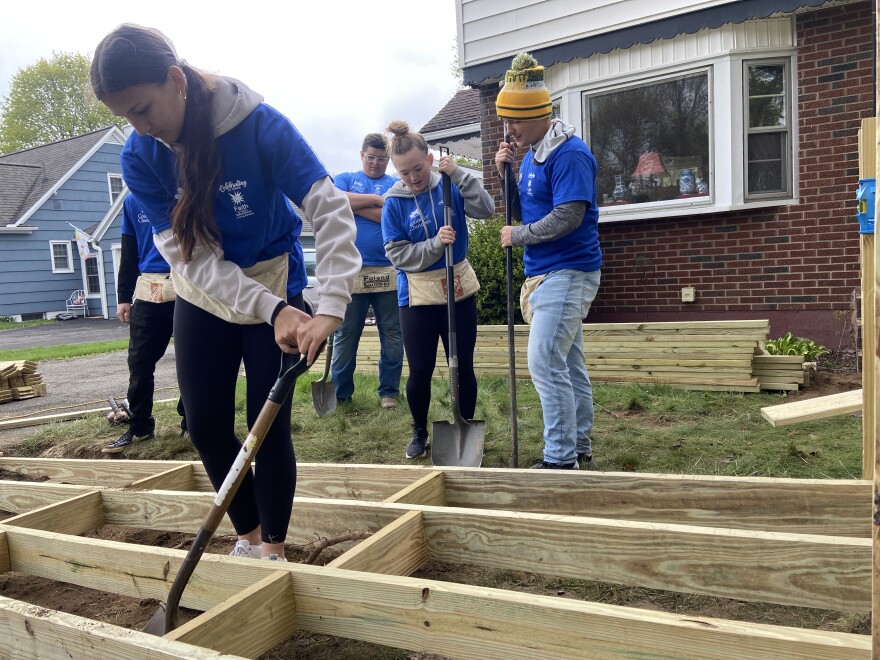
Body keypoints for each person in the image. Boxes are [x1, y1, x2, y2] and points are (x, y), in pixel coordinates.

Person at [90, 24, 360, 560]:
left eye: (143, 109)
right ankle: (249, 536)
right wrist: (271, 312)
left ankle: (275, 549)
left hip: (270, 274)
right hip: (203, 288)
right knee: (206, 420)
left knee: (270, 423)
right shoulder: (140, 155)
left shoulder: (259, 125)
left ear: (175, 80)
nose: (139, 126)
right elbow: (189, 259)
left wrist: (328, 308)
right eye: (126, 117)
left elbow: (328, 210)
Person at [493, 53, 602, 470]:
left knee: (543, 361)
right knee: (568, 364)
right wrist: (505, 174)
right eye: (506, 122)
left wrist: (516, 237)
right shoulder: (532, 155)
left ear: (537, 115)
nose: (509, 130)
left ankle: (560, 460)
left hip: (568, 270)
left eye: (514, 121)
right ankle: (579, 446)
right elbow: (524, 213)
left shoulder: (569, 154)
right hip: (545, 272)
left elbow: (568, 217)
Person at [382, 120, 494, 459]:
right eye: (404, 173)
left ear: (429, 160)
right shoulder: (394, 203)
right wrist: (434, 245)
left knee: (463, 365)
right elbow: (397, 254)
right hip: (416, 298)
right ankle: (418, 430)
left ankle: (465, 424)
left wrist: (459, 174)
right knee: (420, 369)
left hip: (457, 291)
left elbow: (486, 210)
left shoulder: (450, 186)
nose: (412, 178)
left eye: (417, 168)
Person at [103, 194, 187, 454]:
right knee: (139, 362)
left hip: (188, 286)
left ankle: (191, 422)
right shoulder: (132, 202)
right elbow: (128, 251)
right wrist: (123, 298)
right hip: (149, 289)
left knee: (192, 360)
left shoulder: (187, 191)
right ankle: (140, 426)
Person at [332, 133, 403, 408]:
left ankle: (389, 393)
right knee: (346, 334)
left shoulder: (396, 183)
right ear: (362, 155)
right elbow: (338, 200)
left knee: (393, 334)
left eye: (382, 159)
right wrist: (376, 200)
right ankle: (341, 395)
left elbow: (390, 213)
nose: (375, 163)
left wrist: (356, 206)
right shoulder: (345, 178)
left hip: (388, 270)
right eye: (371, 157)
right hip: (351, 271)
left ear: (388, 160)